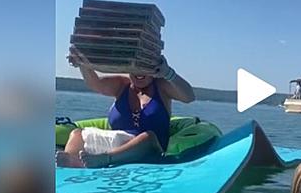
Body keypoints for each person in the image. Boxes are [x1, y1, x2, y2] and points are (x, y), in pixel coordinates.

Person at [56, 46, 196, 168]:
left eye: (144, 67)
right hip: (119, 145)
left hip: (149, 149)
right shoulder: (122, 85)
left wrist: (168, 73)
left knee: (148, 137)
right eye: (135, 67)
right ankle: (71, 165)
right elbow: (95, 83)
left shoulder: (162, 86)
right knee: (77, 134)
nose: (139, 73)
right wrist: (82, 63)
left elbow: (189, 97)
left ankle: (106, 159)